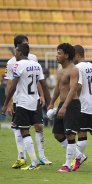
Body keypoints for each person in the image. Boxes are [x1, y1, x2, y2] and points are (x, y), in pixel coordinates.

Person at [4, 35, 51, 169]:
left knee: (37, 126)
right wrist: (8, 103)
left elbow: (38, 81)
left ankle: (40, 157)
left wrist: (41, 95)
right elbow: (10, 83)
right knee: (18, 128)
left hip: (32, 99)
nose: (28, 45)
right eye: (25, 43)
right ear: (17, 47)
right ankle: (22, 156)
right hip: (18, 99)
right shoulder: (11, 63)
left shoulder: (34, 59)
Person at [47, 43, 83, 172]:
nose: (56, 55)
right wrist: (52, 102)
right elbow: (58, 87)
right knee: (57, 134)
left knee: (70, 134)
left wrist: (65, 107)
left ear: (66, 55)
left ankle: (67, 165)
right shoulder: (59, 69)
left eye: (59, 53)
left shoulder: (73, 70)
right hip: (62, 104)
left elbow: (73, 89)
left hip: (71, 105)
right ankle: (79, 155)